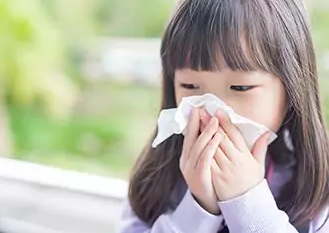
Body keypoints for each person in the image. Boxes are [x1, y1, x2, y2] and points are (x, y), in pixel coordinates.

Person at [119, 0, 329, 232]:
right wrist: (198, 207)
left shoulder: (317, 191)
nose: (215, 113)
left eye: (240, 88)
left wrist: (246, 202)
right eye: (189, 85)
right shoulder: (156, 179)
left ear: (292, 90)